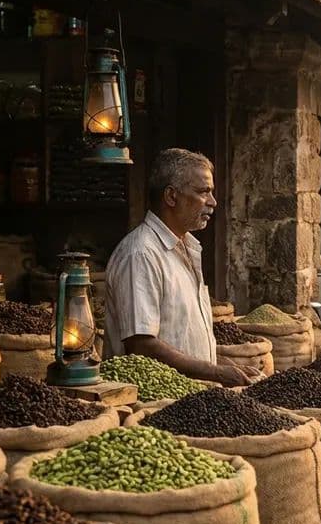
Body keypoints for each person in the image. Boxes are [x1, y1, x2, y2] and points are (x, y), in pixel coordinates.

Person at [106, 148, 258, 387]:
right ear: (171, 197)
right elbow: (141, 344)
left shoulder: (186, 246)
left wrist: (221, 365)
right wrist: (215, 373)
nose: (213, 202)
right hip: (157, 401)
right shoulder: (141, 253)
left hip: (189, 397)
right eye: (203, 192)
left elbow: (181, 336)